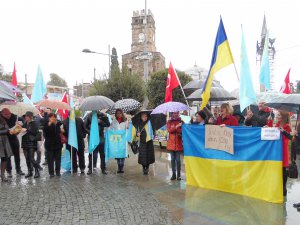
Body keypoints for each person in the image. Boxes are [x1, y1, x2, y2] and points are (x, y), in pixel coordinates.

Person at [1, 108, 25, 176]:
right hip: (5, 139)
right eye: (6, 114)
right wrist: (7, 130)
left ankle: (18, 169)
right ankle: (9, 170)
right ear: (2, 114)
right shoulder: (1, 118)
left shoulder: (15, 116)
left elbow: (21, 123)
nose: (8, 115)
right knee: (7, 156)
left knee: (17, 155)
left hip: (14, 138)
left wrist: (19, 125)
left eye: (9, 113)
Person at [274, 110, 291, 196]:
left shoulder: (287, 126)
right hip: (278, 148)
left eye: (279, 115)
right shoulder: (278, 124)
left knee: (283, 169)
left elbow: (287, 138)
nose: (277, 116)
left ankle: (284, 188)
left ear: (283, 116)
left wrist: (283, 131)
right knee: (278, 168)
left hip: (283, 149)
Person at [109, 109, 129, 173]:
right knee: (118, 153)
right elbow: (111, 129)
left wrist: (126, 133)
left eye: (120, 113)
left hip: (123, 140)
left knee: (123, 152)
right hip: (117, 140)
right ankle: (119, 166)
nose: (119, 114)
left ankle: (122, 166)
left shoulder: (126, 121)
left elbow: (128, 129)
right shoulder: (114, 121)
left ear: (122, 113)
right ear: (116, 114)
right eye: (117, 113)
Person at [43, 113, 63, 177]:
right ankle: (51, 173)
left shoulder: (58, 124)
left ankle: (58, 172)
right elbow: (46, 133)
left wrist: (60, 128)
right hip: (49, 145)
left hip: (58, 145)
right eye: (51, 117)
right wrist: (49, 125)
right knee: (50, 160)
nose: (53, 118)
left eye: (54, 117)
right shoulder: (46, 124)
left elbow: (61, 131)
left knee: (58, 159)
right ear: (49, 118)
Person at [21, 111, 40, 178]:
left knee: (32, 158)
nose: (26, 117)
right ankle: (30, 172)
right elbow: (22, 131)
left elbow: (34, 132)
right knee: (27, 158)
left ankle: (37, 171)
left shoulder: (34, 123)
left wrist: (26, 130)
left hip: (31, 142)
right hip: (25, 142)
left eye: (27, 116)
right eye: (25, 116)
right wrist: (19, 127)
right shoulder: (25, 123)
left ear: (30, 116)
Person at [167, 111, 183, 180]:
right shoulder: (169, 122)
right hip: (171, 144)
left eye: (177, 113)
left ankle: (178, 175)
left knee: (178, 160)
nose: (175, 114)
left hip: (178, 144)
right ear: (172, 114)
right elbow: (170, 130)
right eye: (174, 113)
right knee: (172, 159)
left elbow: (182, 131)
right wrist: (176, 127)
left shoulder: (181, 121)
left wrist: (180, 128)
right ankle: (173, 174)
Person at [0, 115, 14, 182]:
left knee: (4, 158)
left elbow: (7, 129)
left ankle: (2, 175)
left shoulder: (2, 119)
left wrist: (5, 130)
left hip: (4, 141)